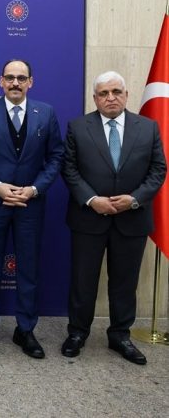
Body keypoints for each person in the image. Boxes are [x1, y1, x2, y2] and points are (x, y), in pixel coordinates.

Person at [61, 71, 166, 365]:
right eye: (104, 93)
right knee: (83, 281)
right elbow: (69, 168)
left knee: (125, 283)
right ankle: (77, 333)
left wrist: (134, 199)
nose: (111, 98)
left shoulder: (148, 127)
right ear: (95, 98)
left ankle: (120, 335)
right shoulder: (78, 127)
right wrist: (92, 200)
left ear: (126, 95)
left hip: (132, 219)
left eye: (116, 92)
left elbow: (158, 169)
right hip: (88, 218)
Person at [0, 59, 64, 359]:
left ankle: (25, 329)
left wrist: (34, 189)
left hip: (30, 204)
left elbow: (56, 156)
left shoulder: (46, 113)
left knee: (29, 269)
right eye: (10, 77)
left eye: (21, 78)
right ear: (0, 81)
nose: (15, 83)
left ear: (30, 82)